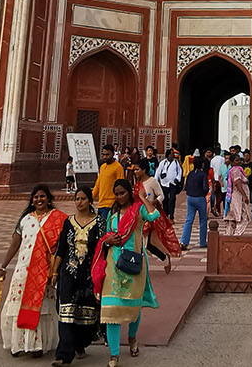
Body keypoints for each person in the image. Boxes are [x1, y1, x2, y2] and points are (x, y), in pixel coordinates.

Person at [94, 179, 177, 367]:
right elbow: (106, 234)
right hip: (114, 263)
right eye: (116, 193)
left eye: (122, 193)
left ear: (129, 192)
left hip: (134, 263)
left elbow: (154, 215)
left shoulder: (138, 210)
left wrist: (142, 197)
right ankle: (114, 355)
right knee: (111, 309)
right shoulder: (113, 213)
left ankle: (132, 338)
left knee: (134, 307)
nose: (119, 197)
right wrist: (109, 240)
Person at [0, 185, 64, 357]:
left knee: (41, 309)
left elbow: (62, 248)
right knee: (18, 306)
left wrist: (56, 271)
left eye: (42, 196)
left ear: (49, 199)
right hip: (23, 271)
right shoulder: (26, 219)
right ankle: (18, 344)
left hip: (43, 272)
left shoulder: (58, 219)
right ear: (32, 200)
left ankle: (37, 345)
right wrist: (3, 267)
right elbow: (14, 244)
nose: (39, 200)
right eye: (36, 197)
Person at [53, 188, 103, 365]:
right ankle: (63, 355)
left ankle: (80, 344)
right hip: (68, 272)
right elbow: (61, 249)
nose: (79, 202)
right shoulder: (68, 222)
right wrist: (54, 272)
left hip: (89, 276)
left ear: (90, 201)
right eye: (77, 199)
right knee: (65, 311)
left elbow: (103, 248)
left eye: (83, 199)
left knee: (87, 315)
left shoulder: (99, 222)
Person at [180, 155, 210, 248]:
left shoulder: (190, 173)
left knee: (189, 220)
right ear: (201, 165)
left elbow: (186, 186)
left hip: (190, 197)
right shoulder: (203, 174)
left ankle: (184, 241)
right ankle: (202, 242)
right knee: (203, 220)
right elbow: (206, 187)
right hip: (200, 198)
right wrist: (203, 193)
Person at [220, 151, 252, 237]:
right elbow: (238, 183)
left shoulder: (233, 170)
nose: (239, 162)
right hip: (238, 196)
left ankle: (229, 236)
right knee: (242, 217)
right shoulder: (236, 170)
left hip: (234, 196)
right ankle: (237, 235)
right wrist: (244, 196)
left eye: (239, 160)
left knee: (232, 217)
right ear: (232, 162)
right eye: (237, 160)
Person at [154, 148, 183, 223]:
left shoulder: (176, 163)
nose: (172, 155)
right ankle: (165, 215)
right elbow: (158, 172)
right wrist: (156, 182)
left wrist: (177, 179)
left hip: (172, 184)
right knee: (165, 200)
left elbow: (179, 172)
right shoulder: (163, 163)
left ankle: (171, 216)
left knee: (172, 200)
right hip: (164, 184)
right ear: (167, 155)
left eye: (173, 154)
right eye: (171, 154)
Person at [92, 145, 124, 209]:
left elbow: (121, 186)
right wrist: (90, 197)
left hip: (111, 204)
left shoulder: (118, 167)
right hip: (101, 204)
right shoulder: (102, 167)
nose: (105, 157)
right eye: (103, 155)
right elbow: (97, 185)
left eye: (107, 155)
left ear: (113, 154)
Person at [209, 148, 226, 218]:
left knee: (216, 195)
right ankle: (217, 208)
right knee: (221, 195)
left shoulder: (212, 160)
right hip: (221, 179)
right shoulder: (222, 159)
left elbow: (211, 170)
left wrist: (212, 179)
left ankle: (216, 208)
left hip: (215, 178)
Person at [242, 149, 252, 216]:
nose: (246, 157)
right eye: (245, 156)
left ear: (250, 156)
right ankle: (246, 214)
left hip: (251, 185)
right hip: (244, 186)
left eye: (247, 156)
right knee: (244, 201)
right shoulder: (241, 166)